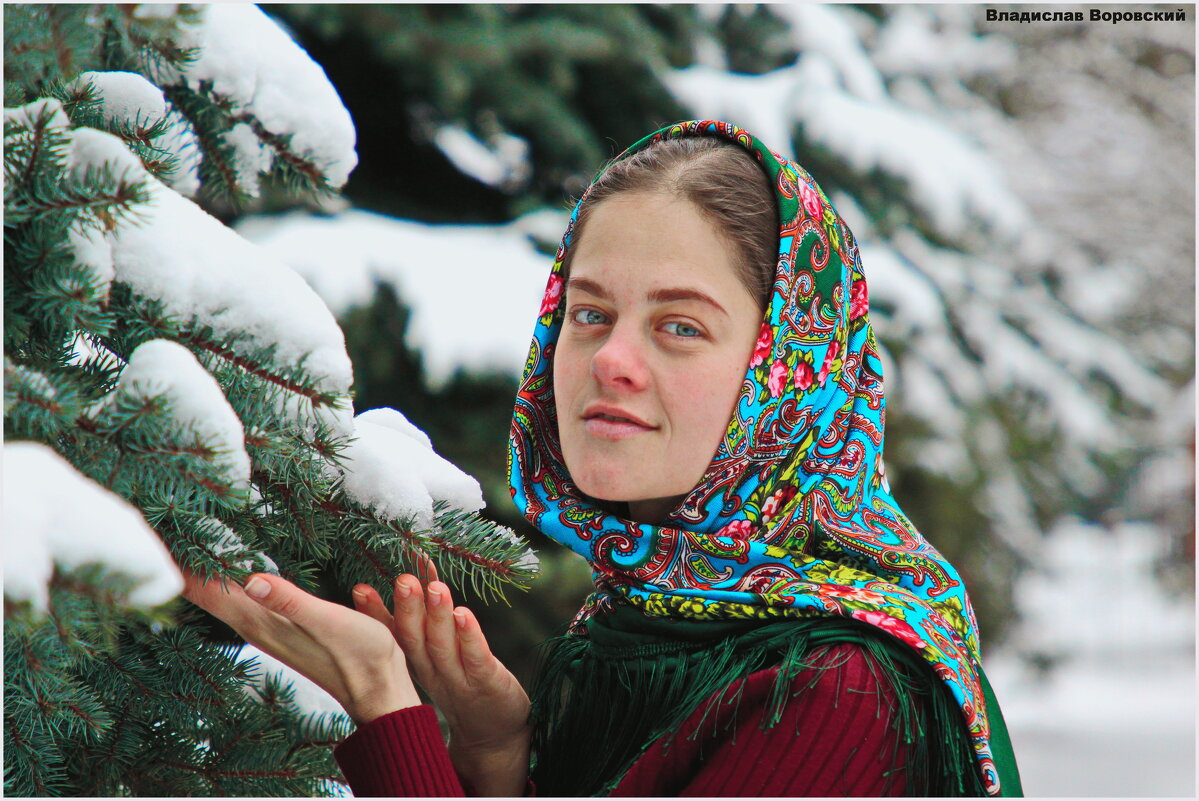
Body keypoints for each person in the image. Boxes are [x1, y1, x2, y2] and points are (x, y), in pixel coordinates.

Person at [185, 119, 1022, 797]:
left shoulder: (837, 692)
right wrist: (502, 758)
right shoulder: (638, 621)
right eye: (589, 315)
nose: (611, 359)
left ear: (790, 377)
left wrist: (385, 705)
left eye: (679, 326)